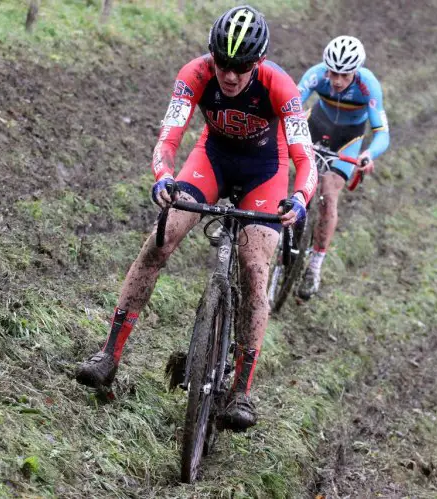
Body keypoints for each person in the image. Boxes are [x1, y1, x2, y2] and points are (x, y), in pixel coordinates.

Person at [75, 5, 317, 431]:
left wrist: (299, 197)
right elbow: (168, 139)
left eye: (241, 67)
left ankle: (241, 390)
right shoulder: (195, 74)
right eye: (223, 63)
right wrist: (163, 176)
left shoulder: (280, 84)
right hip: (212, 160)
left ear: (256, 63)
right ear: (211, 57)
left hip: (266, 171)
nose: (230, 75)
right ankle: (109, 354)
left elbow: (304, 156)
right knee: (159, 241)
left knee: (254, 268)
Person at [295, 36, 390, 300]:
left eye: (344, 75)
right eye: (333, 72)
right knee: (284, 171)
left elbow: (382, 133)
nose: (337, 80)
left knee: (328, 192)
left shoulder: (369, 86)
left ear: (355, 72)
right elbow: (290, 101)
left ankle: (315, 264)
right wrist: (294, 115)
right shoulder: (316, 75)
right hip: (317, 124)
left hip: (348, 138)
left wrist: (369, 154)